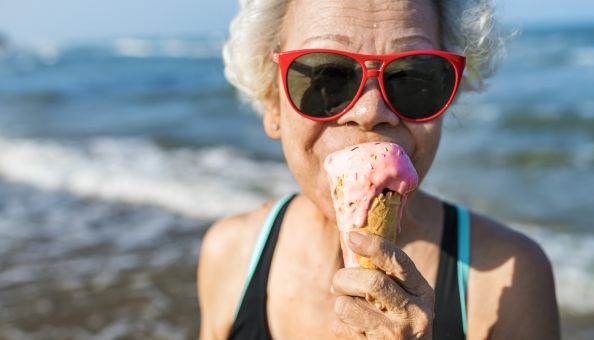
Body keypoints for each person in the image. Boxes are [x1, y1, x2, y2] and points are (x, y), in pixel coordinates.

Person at [198, 0, 561, 339]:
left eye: (412, 77)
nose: (371, 111)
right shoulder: (231, 254)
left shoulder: (509, 276)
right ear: (271, 100)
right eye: (327, 77)